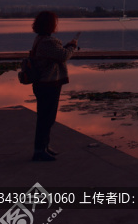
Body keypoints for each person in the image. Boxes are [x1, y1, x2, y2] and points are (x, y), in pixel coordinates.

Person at [29, 11, 77, 162]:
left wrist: (66, 47)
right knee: (46, 118)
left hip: (43, 84)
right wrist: (72, 47)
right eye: (54, 22)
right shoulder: (47, 42)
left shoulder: (40, 39)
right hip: (48, 84)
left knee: (47, 117)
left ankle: (44, 146)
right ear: (49, 25)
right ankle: (39, 151)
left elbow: (58, 53)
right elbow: (63, 56)